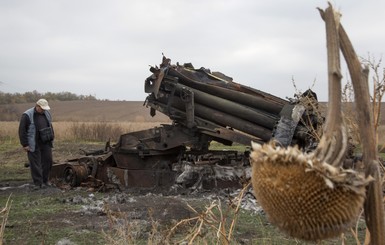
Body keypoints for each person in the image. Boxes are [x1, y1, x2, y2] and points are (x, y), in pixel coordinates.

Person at [18, 99, 54, 189]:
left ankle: (46, 181)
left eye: (45, 109)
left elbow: (50, 126)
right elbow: (22, 130)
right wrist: (25, 144)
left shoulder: (47, 113)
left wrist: (52, 137)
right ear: (37, 106)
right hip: (33, 143)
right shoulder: (27, 115)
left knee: (48, 161)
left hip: (45, 142)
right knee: (35, 164)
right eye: (42, 109)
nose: (43, 110)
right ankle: (38, 183)